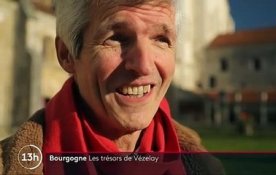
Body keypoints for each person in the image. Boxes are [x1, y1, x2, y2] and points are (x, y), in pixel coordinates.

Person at [0, 0, 224, 174]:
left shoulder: (205, 167)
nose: (144, 66)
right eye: (116, 38)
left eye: (161, 39)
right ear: (66, 54)